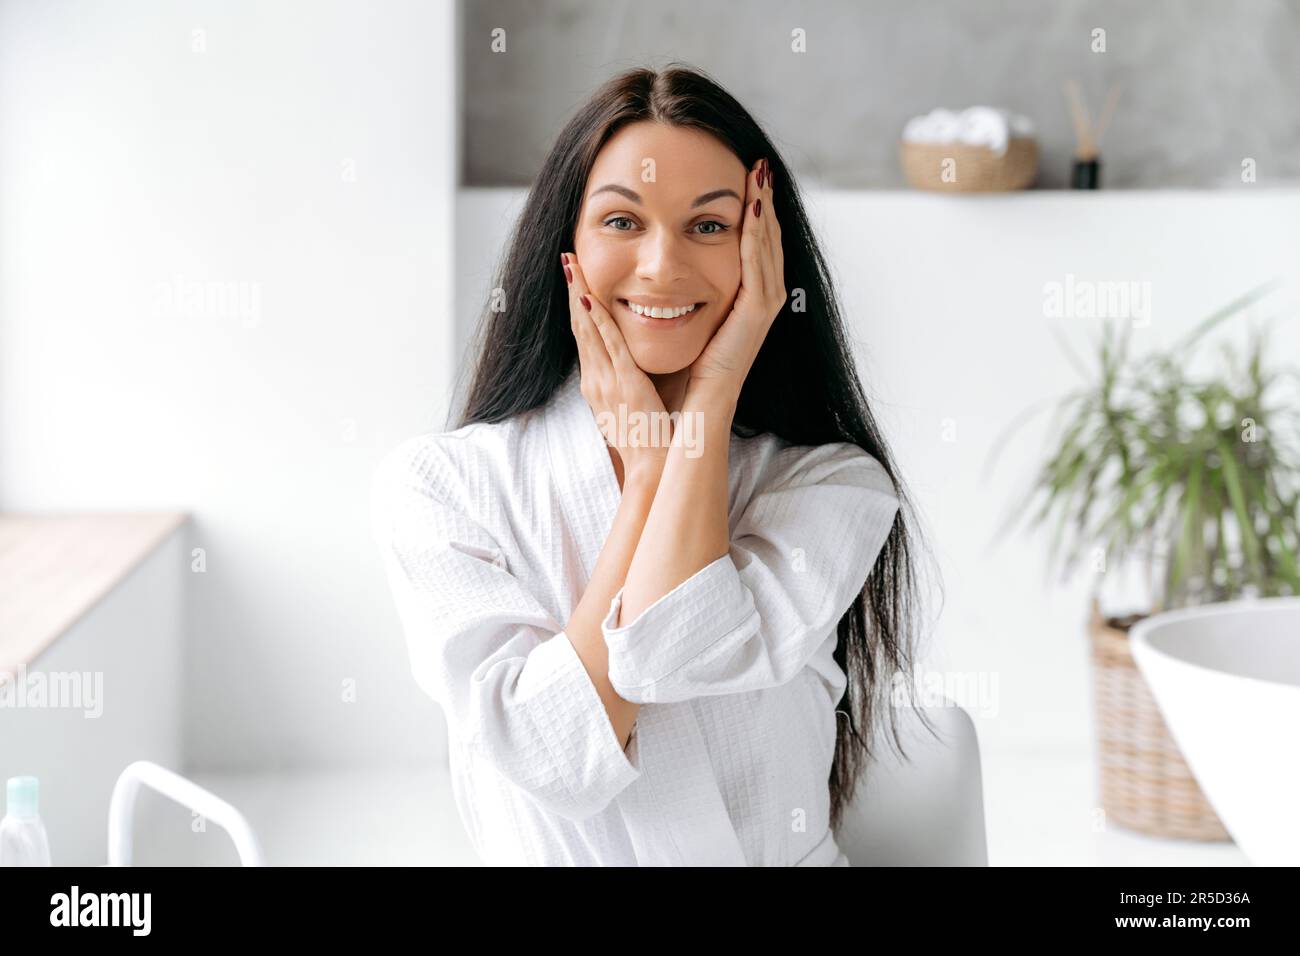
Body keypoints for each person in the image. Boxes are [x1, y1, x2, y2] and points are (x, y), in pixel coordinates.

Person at [371, 63, 934, 866]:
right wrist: (645, 483)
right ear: (565, 244)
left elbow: (677, 655)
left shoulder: (831, 487)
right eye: (622, 222)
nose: (663, 266)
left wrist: (709, 401)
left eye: (709, 226)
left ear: (765, 253)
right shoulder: (437, 487)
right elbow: (551, 756)